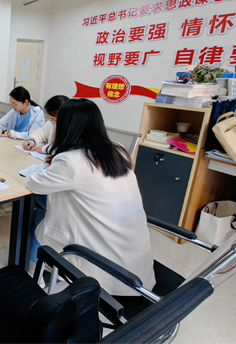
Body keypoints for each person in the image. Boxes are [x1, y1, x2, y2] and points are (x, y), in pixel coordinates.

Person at [27, 98, 155, 296]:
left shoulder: (71, 162)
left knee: (40, 209)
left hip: (104, 270)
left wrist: (51, 165)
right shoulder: (118, 150)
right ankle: (34, 267)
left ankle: (32, 271)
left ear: (66, 127)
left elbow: (34, 183)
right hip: (136, 266)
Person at [21, 95, 69, 270]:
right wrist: (32, 141)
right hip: (56, 180)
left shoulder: (70, 130)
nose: (52, 122)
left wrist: (47, 148)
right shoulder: (54, 123)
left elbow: (64, 150)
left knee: (41, 203)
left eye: (53, 119)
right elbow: (40, 132)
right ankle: (35, 261)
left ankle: (34, 264)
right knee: (40, 203)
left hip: (62, 197)